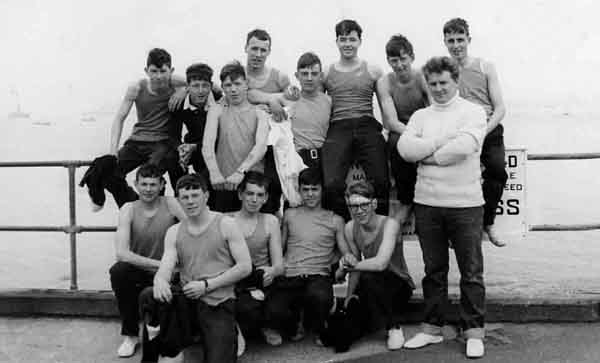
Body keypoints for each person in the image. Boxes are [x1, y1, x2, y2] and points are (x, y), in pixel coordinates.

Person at [398, 56, 487, 358]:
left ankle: (474, 330)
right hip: (428, 203)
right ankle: (432, 328)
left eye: (443, 82)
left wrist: (429, 154)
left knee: (471, 271)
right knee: (434, 270)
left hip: (466, 204)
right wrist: (443, 140)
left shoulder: (474, 111)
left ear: (456, 81)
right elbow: (405, 150)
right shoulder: (420, 116)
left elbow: (464, 147)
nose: (438, 88)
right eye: (432, 83)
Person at [150, 173, 252, 363]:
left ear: (206, 196)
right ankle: (169, 349)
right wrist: (159, 280)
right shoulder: (174, 232)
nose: (190, 201)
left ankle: (231, 330)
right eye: (185, 197)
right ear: (178, 200)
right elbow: (166, 265)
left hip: (218, 299)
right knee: (150, 296)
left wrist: (207, 285)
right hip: (187, 299)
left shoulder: (226, 224)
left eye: (195, 195)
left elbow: (245, 267)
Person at [263, 168, 352, 346]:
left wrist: (346, 260)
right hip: (289, 274)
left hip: (318, 275)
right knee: (273, 310)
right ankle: (296, 324)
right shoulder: (290, 215)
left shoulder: (335, 220)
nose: (310, 194)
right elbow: (279, 247)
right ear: (299, 191)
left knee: (319, 298)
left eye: (314, 189)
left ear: (322, 190)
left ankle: (319, 324)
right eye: (306, 189)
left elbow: (345, 251)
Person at [108, 163, 186, 357]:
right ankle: (131, 335)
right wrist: (160, 265)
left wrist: (173, 266)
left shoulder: (171, 203)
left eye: (153, 184)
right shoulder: (128, 209)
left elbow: (192, 229)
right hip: (143, 270)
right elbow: (122, 253)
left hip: (169, 274)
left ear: (161, 185)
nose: (148, 189)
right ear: (136, 185)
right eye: (144, 184)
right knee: (119, 271)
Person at [443, 18, 508, 247]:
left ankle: (487, 222)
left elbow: (500, 108)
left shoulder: (485, 67)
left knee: (498, 172)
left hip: (488, 129)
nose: (456, 45)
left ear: (468, 40)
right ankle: (455, 231)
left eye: (460, 39)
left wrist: (483, 131)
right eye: (451, 40)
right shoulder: (444, 70)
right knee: (454, 177)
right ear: (445, 42)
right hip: (460, 132)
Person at [322, 19, 389, 221]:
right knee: (332, 183)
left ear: (360, 41)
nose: (348, 44)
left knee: (381, 181)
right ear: (337, 42)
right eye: (343, 39)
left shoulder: (374, 70)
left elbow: (385, 103)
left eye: (352, 39)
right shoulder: (326, 73)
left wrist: (386, 130)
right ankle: (345, 227)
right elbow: (316, 104)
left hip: (366, 124)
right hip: (338, 127)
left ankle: (379, 227)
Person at [336, 181, 415, 350]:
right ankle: (359, 326)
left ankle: (394, 328)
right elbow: (356, 267)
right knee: (340, 340)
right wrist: (349, 297)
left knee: (370, 277)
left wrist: (351, 266)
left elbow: (380, 263)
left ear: (374, 204)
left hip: (398, 283)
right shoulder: (350, 228)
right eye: (354, 206)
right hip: (370, 284)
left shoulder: (390, 224)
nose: (359, 211)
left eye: (364, 205)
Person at [108, 48, 186, 204]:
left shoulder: (178, 83)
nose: (158, 76)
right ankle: (132, 207)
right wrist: (112, 151)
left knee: (150, 177)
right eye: (154, 71)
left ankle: (160, 214)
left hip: (162, 142)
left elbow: (208, 85)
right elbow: (119, 118)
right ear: (146, 71)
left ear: (171, 71)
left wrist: (184, 89)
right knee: (109, 171)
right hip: (137, 141)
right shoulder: (137, 88)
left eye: (163, 71)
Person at [202, 61, 269, 212]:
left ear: (246, 84)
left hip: (252, 183)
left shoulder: (260, 113)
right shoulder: (217, 110)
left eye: (237, 84)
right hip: (222, 180)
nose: (233, 89)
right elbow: (207, 144)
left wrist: (240, 172)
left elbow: (261, 147)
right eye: (228, 85)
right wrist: (214, 173)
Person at [376, 34, 429, 224]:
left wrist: (423, 134)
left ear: (412, 57)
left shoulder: (423, 77)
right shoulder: (385, 82)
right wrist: (411, 135)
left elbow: (435, 110)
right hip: (400, 129)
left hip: (425, 126)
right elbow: (390, 120)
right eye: (394, 60)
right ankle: (406, 201)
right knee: (395, 143)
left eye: (403, 59)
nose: (399, 65)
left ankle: (428, 200)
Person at [244, 28, 295, 215]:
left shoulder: (279, 77)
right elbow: (237, 100)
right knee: (248, 191)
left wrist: (274, 103)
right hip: (246, 142)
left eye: (263, 50)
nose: (258, 54)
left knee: (273, 191)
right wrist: (271, 100)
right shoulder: (239, 76)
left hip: (273, 143)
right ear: (246, 48)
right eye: (254, 48)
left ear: (269, 52)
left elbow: (292, 104)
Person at [231, 171, 284, 346]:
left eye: (259, 195)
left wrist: (272, 271)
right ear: (240, 195)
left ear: (266, 198)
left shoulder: (270, 221)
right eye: (250, 194)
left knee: (282, 309)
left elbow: (279, 265)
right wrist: (247, 287)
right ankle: (239, 327)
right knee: (248, 309)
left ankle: (267, 325)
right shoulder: (226, 221)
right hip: (237, 280)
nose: (254, 199)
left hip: (264, 278)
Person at [168, 62, 221, 185]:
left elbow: (222, 137)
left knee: (204, 179)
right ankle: (180, 195)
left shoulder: (220, 101)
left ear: (211, 86)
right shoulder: (178, 103)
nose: (201, 91)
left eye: (205, 85)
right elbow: (173, 135)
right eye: (196, 86)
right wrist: (180, 148)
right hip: (192, 143)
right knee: (171, 158)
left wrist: (195, 147)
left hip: (214, 147)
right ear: (188, 87)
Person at [288, 52, 331, 170]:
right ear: (297, 75)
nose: (309, 78)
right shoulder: (289, 101)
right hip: (298, 158)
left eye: (314, 74)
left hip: (325, 158)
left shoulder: (329, 102)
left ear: (321, 76)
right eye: (305, 74)